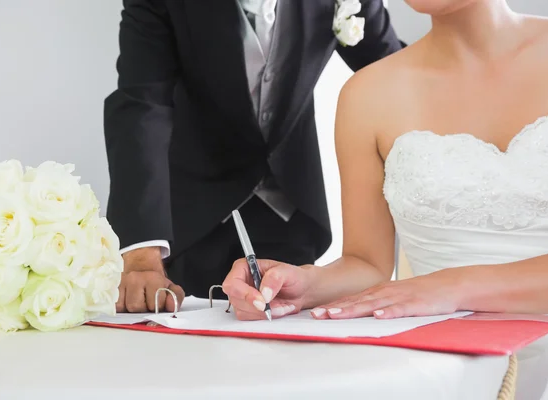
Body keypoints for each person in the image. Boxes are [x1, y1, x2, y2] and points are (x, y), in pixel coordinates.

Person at [222, 0, 548, 326]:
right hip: (445, 361)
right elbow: (367, 264)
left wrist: (456, 287)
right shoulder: (366, 93)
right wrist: (305, 284)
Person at [103, 0, 404, 313]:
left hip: (291, 209)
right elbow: (142, 105)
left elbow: (398, 74)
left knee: (289, 347)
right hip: (193, 221)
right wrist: (142, 257)